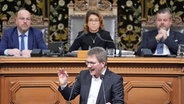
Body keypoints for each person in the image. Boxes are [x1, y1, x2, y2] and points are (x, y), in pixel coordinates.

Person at [58, 47, 124, 104]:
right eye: (87, 62)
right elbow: (69, 96)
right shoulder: (83, 75)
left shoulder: (115, 79)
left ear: (103, 63)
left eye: (92, 63)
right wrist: (63, 84)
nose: (88, 66)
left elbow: (118, 102)